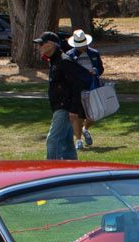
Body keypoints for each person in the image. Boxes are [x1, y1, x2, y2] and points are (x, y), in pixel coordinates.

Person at [36, 31, 91, 161]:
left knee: (53, 141)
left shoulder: (64, 61)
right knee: (67, 146)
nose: (40, 47)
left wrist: (73, 109)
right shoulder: (55, 61)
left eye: (42, 44)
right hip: (61, 107)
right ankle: (73, 174)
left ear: (51, 44)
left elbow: (79, 85)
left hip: (64, 108)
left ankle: (52, 175)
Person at [65, 29, 104, 148]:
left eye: (84, 44)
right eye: (80, 45)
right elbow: (68, 72)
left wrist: (96, 71)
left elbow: (100, 68)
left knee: (93, 114)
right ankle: (78, 140)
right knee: (77, 114)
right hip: (76, 88)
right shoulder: (70, 55)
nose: (82, 47)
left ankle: (85, 129)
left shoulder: (94, 53)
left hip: (92, 86)